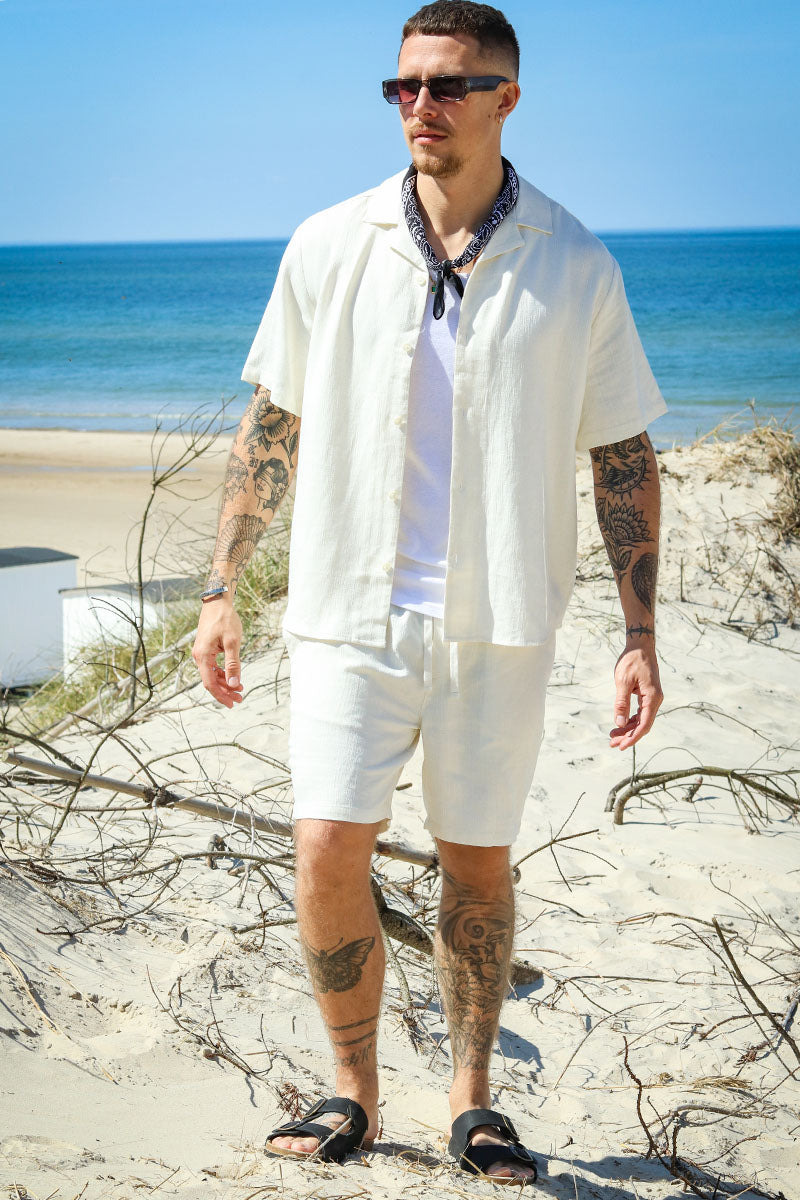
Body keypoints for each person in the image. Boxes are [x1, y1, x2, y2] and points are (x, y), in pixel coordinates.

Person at [192, 0, 666, 1185]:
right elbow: (271, 425)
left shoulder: (574, 262)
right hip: (346, 608)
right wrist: (219, 587)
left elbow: (620, 453)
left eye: (447, 85)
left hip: (498, 619)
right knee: (323, 845)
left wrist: (637, 630)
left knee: (475, 864)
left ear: (506, 97)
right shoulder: (328, 243)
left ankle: (470, 1100)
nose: (419, 106)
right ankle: (351, 1092)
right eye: (402, 86)